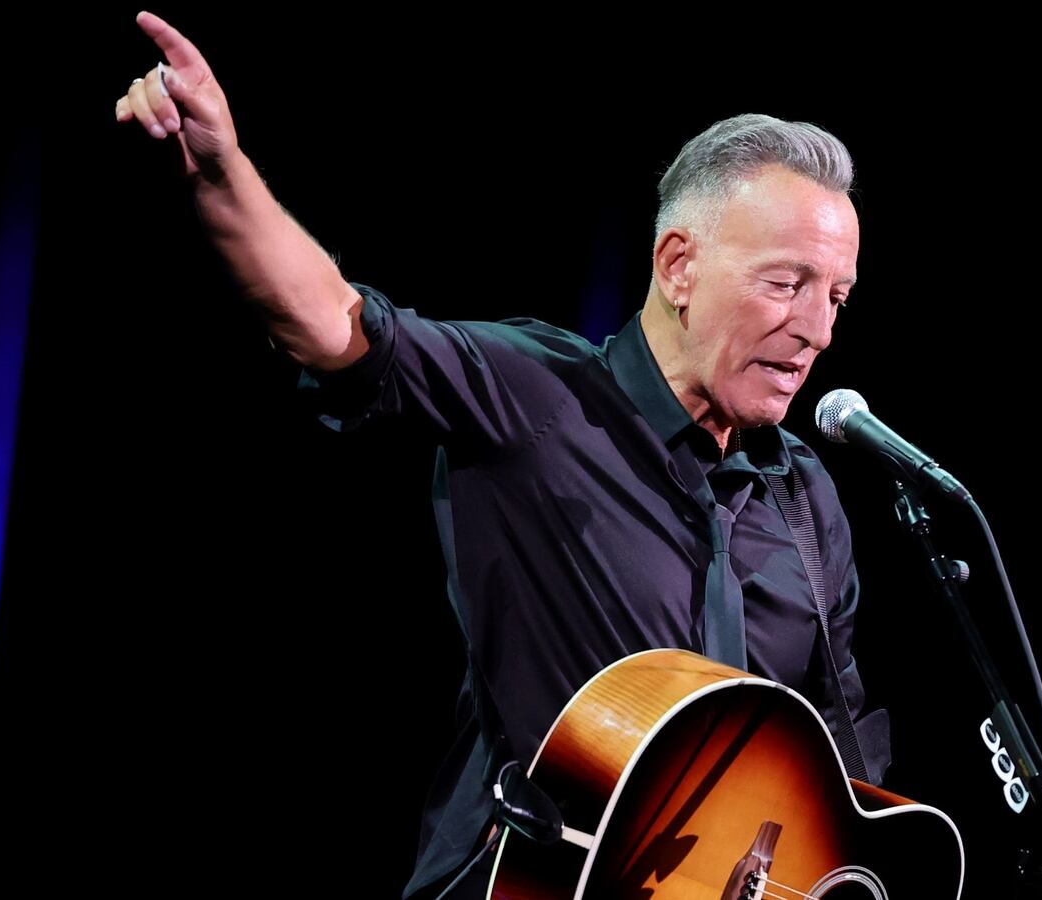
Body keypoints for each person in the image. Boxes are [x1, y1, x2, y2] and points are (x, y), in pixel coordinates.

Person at [116, 11, 890, 898]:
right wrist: (223, 175)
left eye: (839, 297)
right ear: (678, 266)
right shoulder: (536, 397)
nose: (818, 330)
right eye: (786, 283)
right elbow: (333, 326)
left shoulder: (807, 499)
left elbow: (836, 768)